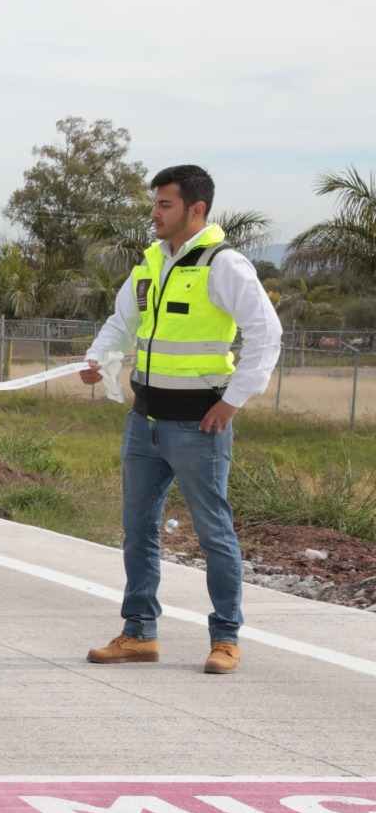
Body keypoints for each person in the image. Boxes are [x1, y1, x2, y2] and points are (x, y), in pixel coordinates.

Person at [79, 165, 282, 675]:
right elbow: (121, 324)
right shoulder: (149, 263)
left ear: (196, 209)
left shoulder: (224, 265)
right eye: (155, 203)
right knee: (138, 529)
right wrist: (98, 358)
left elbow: (266, 334)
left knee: (213, 531)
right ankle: (139, 633)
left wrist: (233, 400)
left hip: (199, 423)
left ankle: (226, 638)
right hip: (143, 418)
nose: (154, 213)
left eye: (164, 205)